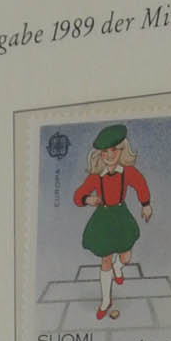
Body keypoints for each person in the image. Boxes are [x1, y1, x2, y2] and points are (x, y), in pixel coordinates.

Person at [73, 124, 152, 322]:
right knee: (105, 260)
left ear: (122, 150)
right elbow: (78, 195)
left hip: (121, 216)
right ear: (99, 154)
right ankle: (106, 300)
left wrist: (146, 204)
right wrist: (87, 199)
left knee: (125, 257)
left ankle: (119, 267)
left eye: (113, 150)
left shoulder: (128, 172)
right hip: (103, 219)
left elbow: (141, 185)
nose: (109, 155)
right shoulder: (95, 176)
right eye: (104, 151)